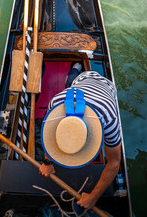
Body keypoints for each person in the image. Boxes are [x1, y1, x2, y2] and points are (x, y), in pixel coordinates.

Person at [39, 63, 122, 210]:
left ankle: (76, 68)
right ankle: (76, 70)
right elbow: (48, 135)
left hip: (107, 88)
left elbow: (114, 162)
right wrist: (47, 162)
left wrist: (93, 196)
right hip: (81, 81)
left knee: (71, 83)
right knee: (71, 83)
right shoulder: (55, 103)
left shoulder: (109, 117)